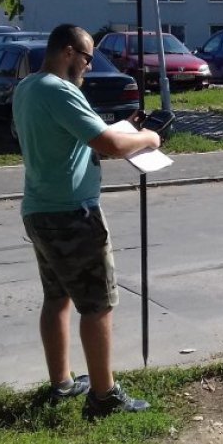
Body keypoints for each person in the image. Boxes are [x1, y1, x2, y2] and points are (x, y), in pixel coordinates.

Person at [13, 24, 162, 418]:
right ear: (66, 51)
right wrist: (148, 137)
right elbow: (110, 145)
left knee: (57, 297)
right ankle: (103, 396)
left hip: (40, 209)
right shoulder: (59, 90)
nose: (89, 66)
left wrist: (122, 127)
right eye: (86, 57)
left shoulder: (28, 87)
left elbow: (80, 134)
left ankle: (61, 383)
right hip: (72, 213)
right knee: (97, 304)